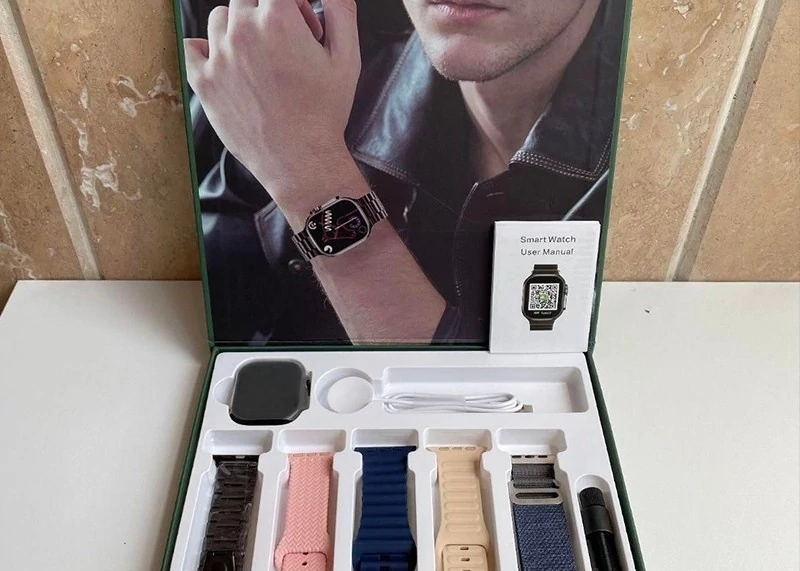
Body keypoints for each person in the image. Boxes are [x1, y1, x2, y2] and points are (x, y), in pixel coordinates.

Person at [182, 0, 624, 345]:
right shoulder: (293, 66)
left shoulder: (651, 164)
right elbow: (189, 323)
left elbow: (487, 408)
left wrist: (312, 174)